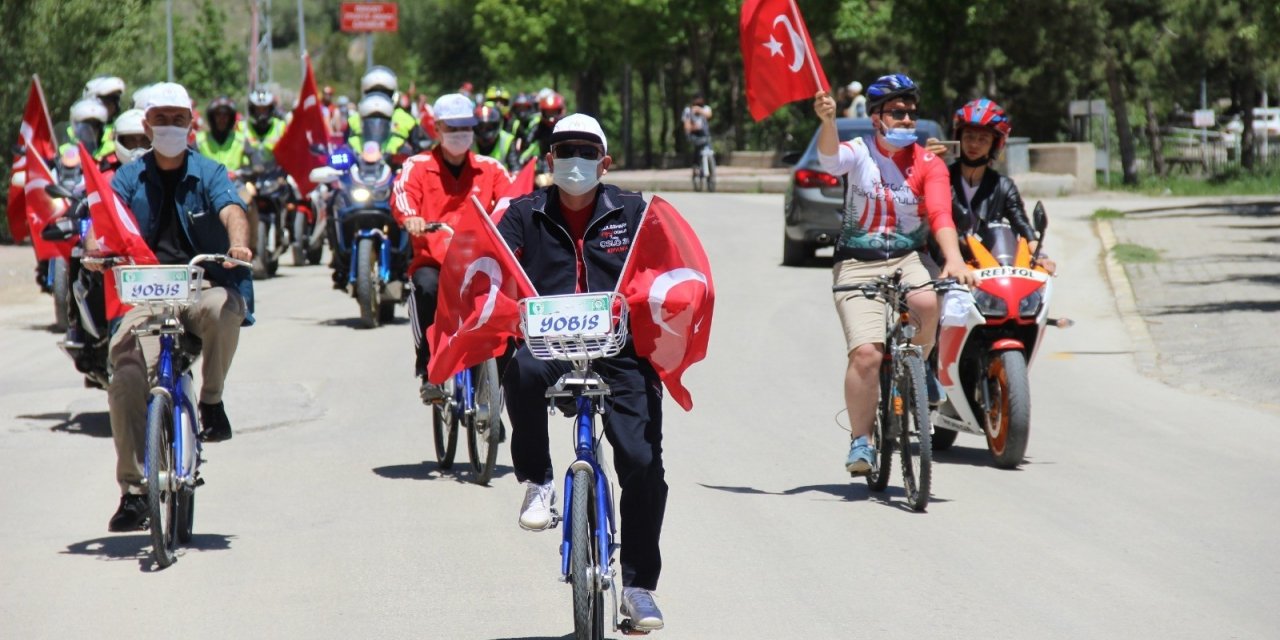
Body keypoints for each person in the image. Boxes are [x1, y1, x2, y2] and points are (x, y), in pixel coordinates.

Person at [496, 114, 667, 631]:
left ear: (605, 162)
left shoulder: (635, 212)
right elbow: (494, 266)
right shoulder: (523, 213)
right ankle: (539, 481)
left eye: (585, 151)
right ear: (548, 161)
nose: (575, 160)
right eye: (564, 151)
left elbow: (665, 270)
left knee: (641, 460)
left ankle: (638, 588)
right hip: (549, 342)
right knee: (521, 372)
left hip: (618, 347)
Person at [84, 82, 253, 532]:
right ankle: (135, 492)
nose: (170, 127)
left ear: (191, 124)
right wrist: (94, 248)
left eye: (179, 119)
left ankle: (212, 403)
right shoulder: (128, 176)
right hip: (143, 295)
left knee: (223, 309)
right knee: (125, 376)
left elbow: (232, 209)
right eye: (161, 119)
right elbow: (102, 220)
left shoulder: (211, 171)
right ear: (147, 124)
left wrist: (238, 243)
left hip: (200, 285)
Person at [812, 73, 976, 474]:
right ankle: (861, 441)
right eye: (897, 113)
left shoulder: (928, 163)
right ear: (876, 118)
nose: (906, 121)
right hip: (856, 260)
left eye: (911, 114)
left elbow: (940, 214)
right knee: (867, 354)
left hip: (908, 257)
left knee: (926, 300)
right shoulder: (859, 152)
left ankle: (920, 364)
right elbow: (830, 161)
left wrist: (953, 258)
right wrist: (827, 121)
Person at [390, 93, 513, 401]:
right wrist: (411, 218)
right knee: (425, 288)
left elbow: (514, 202)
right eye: (453, 127)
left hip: (481, 261)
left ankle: (497, 391)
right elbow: (402, 195)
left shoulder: (491, 169)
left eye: (466, 127)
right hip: (435, 259)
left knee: (508, 307)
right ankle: (428, 367)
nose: (461, 134)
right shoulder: (416, 166)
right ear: (438, 128)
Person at [947, 98, 1056, 275]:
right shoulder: (941, 178)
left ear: (995, 143)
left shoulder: (1003, 185)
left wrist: (1040, 255)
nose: (974, 144)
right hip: (948, 264)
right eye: (969, 136)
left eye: (983, 139)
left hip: (991, 267)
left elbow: (1022, 224)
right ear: (958, 137)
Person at [348, 66, 431, 153]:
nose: (378, 98)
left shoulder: (407, 120)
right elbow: (342, 146)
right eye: (373, 92)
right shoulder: (353, 119)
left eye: (384, 93)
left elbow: (420, 148)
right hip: (359, 163)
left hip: (397, 164)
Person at [196, 97, 249, 171]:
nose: (222, 119)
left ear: (231, 118)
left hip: (235, 182)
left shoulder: (241, 140)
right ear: (212, 117)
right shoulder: (199, 140)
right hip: (207, 182)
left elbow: (253, 161)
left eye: (226, 115)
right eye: (218, 114)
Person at [518, 92, 565, 165]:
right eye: (548, 112)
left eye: (553, 112)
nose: (551, 116)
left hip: (564, 160)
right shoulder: (540, 125)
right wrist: (522, 135)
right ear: (543, 112)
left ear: (559, 111)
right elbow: (528, 140)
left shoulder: (565, 125)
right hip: (544, 161)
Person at [244, 87, 286, 163]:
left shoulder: (281, 127)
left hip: (275, 172)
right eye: (258, 109)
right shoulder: (243, 127)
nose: (261, 114)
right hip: (248, 172)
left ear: (271, 109)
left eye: (264, 109)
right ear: (252, 110)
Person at [474, 103, 519, 172]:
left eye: (489, 127)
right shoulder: (468, 140)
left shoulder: (506, 140)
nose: (485, 130)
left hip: (501, 180)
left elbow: (515, 169)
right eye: (481, 127)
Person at [682, 94, 713, 166]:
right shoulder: (688, 111)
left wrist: (699, 110)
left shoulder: (705, 108)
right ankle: (696, 167)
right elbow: (686, 126)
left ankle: (710, 167)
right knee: (697, 150)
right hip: (694, 135)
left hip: (705, 134)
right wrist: (693, 127)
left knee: (708, 148)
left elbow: (709, 115)